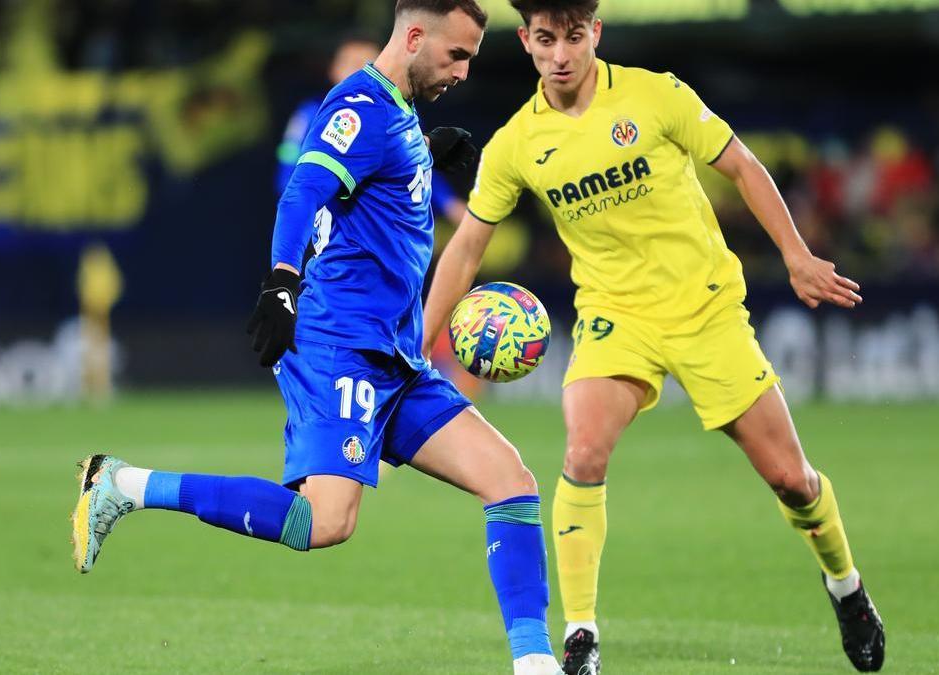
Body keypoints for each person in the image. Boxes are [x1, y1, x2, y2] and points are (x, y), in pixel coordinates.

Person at [72, 2, 561, 672]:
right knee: (323, 522)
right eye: (457, 54)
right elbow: (302, 191)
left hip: (394, 354)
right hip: (338, 343)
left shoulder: (397, 111)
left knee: (511, 480)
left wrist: (423, 156)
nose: (465, 70)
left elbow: (374, 191)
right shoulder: (360, 103)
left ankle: (534, 664)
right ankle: (124, 484)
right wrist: (281, 281)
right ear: (414, 36)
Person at [421, 1, 884, 672]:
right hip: (616, 318)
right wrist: (412, 348)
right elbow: (464, 252)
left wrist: (796, 253)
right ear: (526, 41)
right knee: (582, 448)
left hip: (705, 310)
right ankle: (580, 632)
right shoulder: (518, 142)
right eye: (546, 40)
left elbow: (744, 166)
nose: (560, 54)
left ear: (595, 34)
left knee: (792, 479)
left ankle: (846, 586)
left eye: (573, 37)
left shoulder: (655, 93)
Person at [275, 34, 467, 225]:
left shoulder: (399, 116)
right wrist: (300, 211)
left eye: (367, 64)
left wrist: (449, 203)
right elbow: (288, 160)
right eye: (350, 64)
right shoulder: (311, 111)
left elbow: (416, 166)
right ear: (334, 69)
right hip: (322, 225)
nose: (358, 72)